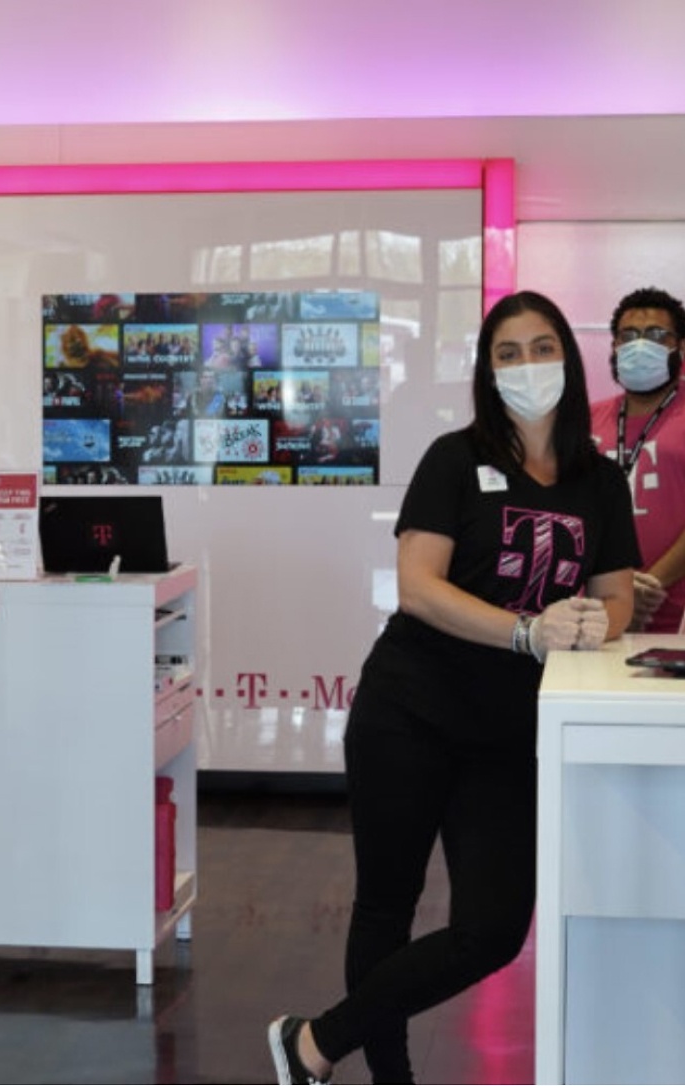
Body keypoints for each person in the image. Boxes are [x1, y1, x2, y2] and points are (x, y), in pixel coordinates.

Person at [268, 291, 639, 1086]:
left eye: (542, 348)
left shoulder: (599, 482)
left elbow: (616, 594)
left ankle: (312, 1044)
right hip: (411, 709)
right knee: (386, 906)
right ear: (486, 370)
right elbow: (418, 588)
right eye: (507, 353)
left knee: (495, 927)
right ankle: (387, 1076)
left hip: (509, 732)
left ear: (568, 364)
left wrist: (591, 623)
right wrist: (525, 629)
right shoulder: (453, 458)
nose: (527, 366)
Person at [589, 287, 685, 634]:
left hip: (675, 619)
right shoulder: (586, 420)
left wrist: (647, 586)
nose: (640, 345)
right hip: (597, 615)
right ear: (614, 347)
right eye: (628, 336)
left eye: (657, 335)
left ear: (681, 347)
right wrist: (616, 595)